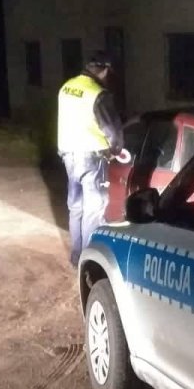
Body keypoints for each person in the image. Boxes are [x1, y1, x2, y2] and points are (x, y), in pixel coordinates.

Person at [57, 51, 125, 267]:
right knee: (94, 209)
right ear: (104, 70)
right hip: (92, 158)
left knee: (76, 207)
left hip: (68, 155)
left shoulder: (66, 87)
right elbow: (111, 128)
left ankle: (77, 255)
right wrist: (116, 149)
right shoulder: (98, 94)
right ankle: (89, 259)